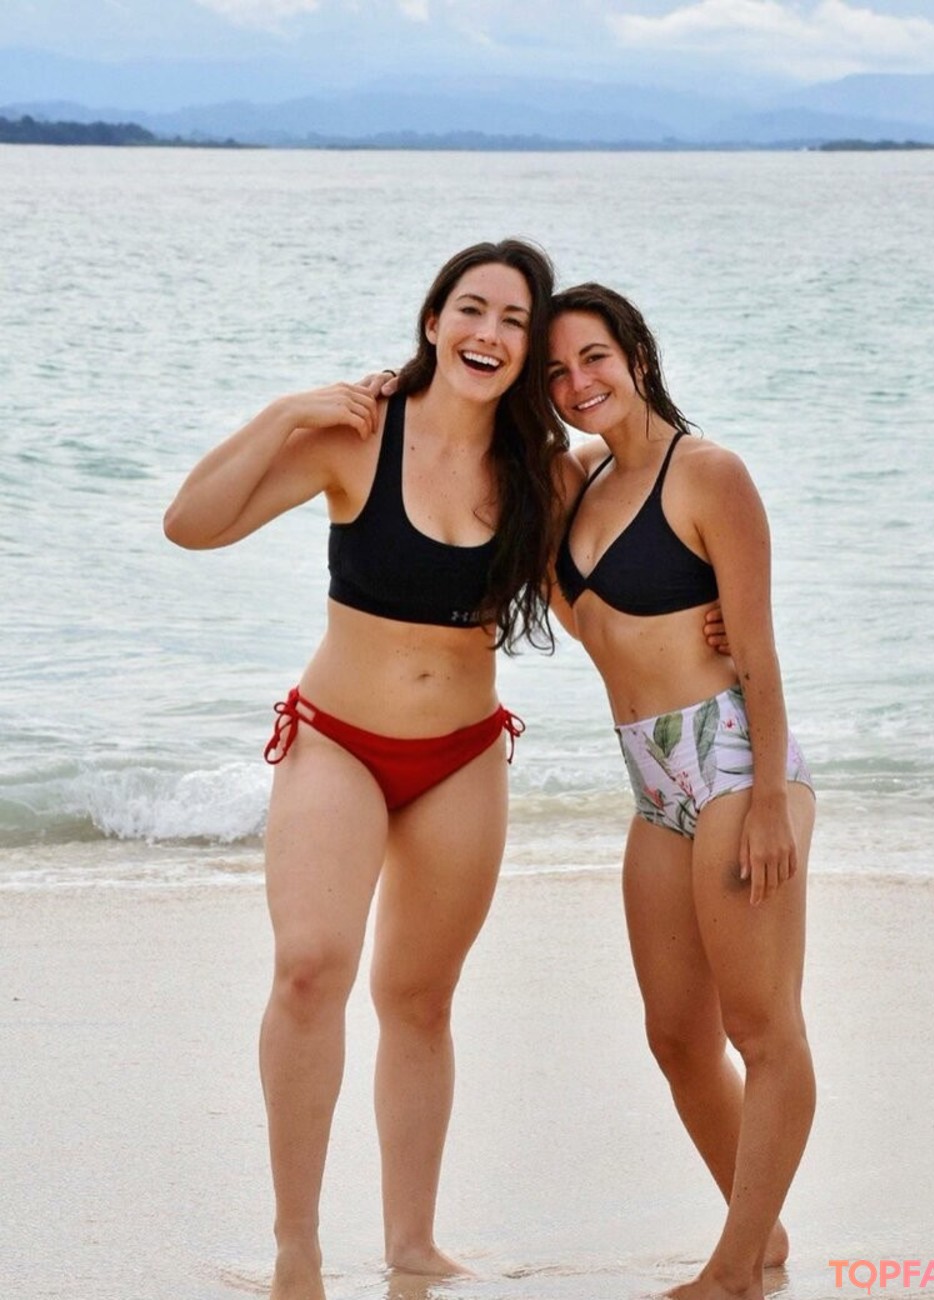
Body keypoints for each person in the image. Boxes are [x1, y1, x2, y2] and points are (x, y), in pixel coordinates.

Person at [163, 239, 567, 1300]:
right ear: (434, 319)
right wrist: (286, 412)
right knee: (310, 966)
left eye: (514, 320)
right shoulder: (357, 436)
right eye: (471, 308)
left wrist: (703, 634)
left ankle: (412, 1246)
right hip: (337, 738)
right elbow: (190, 525)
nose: (488, 333)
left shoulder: (541, 472)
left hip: (461, 757)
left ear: (530, 348)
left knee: (419, 1000)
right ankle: (297, 1246)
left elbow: (604, 603)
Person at [545, 283, 816, 1300]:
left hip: (732, 760)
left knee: (762, 1028)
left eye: (595, 358)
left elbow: (760, 652)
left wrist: (770, 803)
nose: (579, 383)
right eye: (557, 372)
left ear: (638, 357)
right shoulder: (572, 484)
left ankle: (734, 1269)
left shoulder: (707, 473)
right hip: (651, 775)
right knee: (676, 1035)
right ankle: (764, 1232)